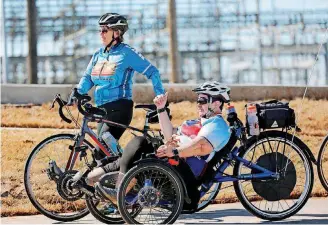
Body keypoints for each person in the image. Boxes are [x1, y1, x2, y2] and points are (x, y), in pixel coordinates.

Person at [95, 81, 232, 209]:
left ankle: (119, 191)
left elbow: (201, 147)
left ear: (216, 103)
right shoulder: (196, 122)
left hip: (184, 169)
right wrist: (161, 109)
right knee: (140, 143)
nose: (198, 104)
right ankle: (96, 179)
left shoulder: (217, 125)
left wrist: (175, 151)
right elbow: (170, 134)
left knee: (141, 146)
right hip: (173, 159)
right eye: (198, 100)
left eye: (202, 101)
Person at [75, 13, 165, 182]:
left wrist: (161, 98)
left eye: (104, 30)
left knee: (106, 145)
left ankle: (127, 175)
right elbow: (88, 78)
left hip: (120, 107)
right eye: (100, 30)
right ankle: (118, 184)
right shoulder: (98, 55)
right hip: (101, 110)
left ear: (116, 32)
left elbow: (153, 71)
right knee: (101, 154)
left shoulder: (127, 53)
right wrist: (78, 91)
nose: (100, 34)